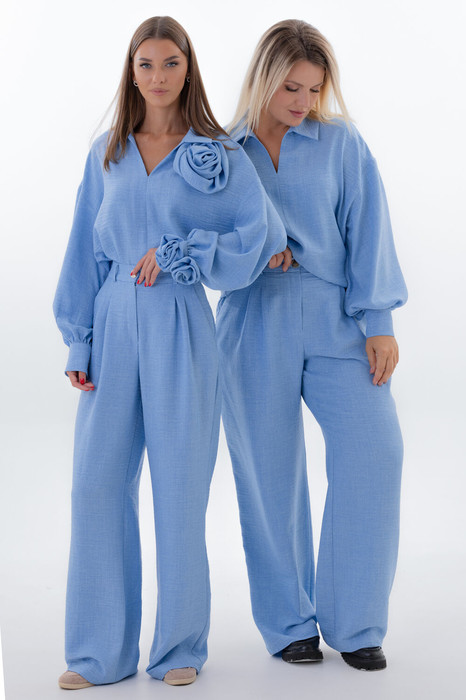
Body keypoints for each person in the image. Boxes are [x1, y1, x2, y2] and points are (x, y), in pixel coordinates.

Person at [53, 15, 286, 689]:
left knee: (180, 489)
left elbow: (260, 235)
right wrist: (79, 338)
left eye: (171, 63)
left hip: (181, 322)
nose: (158, 77)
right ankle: (98, 655)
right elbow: (84, 250)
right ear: (132, 73)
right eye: (146, 64)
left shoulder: (217, 152)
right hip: (111, 322)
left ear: (189, 69)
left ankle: (179, 647)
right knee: (96, 487)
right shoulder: (108, 153)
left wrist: (187, 252)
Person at [216, 19, 408, 671]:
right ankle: (288, 622)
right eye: (291, 87)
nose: (303, 101)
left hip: (335, 315)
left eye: (314, 88)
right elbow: (200, 239)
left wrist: (378, 321)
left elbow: (368, 225)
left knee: (376, 451)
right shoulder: (222, 151)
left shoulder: (341, 143)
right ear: (263, 79)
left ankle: (356, 623)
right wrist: (250, 254)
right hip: (251, 318)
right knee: (268, 473)